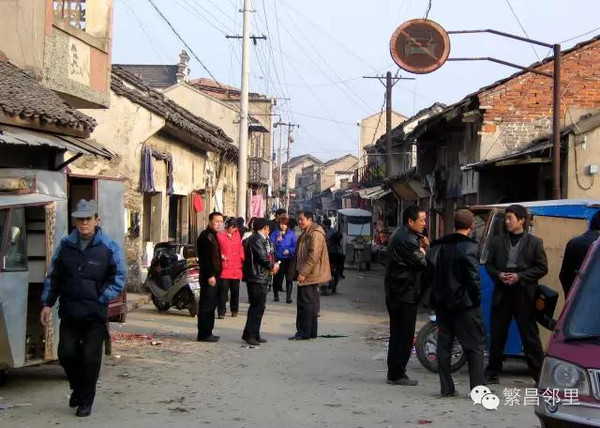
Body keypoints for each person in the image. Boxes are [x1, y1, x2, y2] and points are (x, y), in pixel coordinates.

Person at [40, 199, 126, 417]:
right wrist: (47, 303)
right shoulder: (66, 245)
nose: (83, 223)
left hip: (94, 315)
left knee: (90, 359)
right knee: (66, 353)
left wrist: (101, 296)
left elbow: (119, 277)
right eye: (80, 219)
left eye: (88, 219)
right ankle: (77, 388)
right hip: (69, 311)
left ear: (97, 220)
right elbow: (55, 276)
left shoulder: (108, 246)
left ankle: (85, 400)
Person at [484, 204, 548, 384]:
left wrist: (520, 276)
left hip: (524, 293)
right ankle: (492, 371)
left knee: (529, 335)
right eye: (506, 218)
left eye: (510, 218)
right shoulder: (497, 241)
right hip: (502, 292)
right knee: (498, 333)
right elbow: (489, 265)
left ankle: (539, 374)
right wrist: (499, 275)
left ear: (521, 220)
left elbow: (542, 268)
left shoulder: (535, 243)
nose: (507, 221)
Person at [427, 209, 485, 397]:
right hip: (465, 305)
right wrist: (475, 300)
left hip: (443, 303)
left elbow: (430, 272)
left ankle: (446, 387)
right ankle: (477, 389)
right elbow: (473, 279)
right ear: (471, 226)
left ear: (454, 224)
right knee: (474, 347)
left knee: (444, 345)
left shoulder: (439, 246)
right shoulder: (470, 248)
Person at [384, 205, 428, 386]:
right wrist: (425, 250)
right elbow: (423, 262)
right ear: (411, 221)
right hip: (403, 293)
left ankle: (395, 371)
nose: (424, 224)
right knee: (403, 334)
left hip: (399, 291)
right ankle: (397, 373)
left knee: (398, 333)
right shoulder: (406, 239)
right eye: (422, 220)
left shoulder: (404, 235)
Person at [288, 210, 330, 340]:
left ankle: (304, 332)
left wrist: (303, 273)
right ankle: (310, 332)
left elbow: (313, 256)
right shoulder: (307, 233)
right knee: (309, 304)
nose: (299, 222)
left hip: (310, 274)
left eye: (302, 219)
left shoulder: (315, 234)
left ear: (309, 219)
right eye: (299, 220)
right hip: (308, 273)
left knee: (305, 304)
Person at [242, 218, 278, 345]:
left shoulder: (263, 239)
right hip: (257, 277)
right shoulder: (256, 239)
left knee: (258, 307)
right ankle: (251, 335)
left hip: (261, 277)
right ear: (265, 227)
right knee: (257, 307)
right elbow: (262, 257)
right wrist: (272, 266)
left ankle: (253, 333)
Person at [196, 212, 224, 342]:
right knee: (206, 306)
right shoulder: (206, 236)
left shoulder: (213, 236)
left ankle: (209, 331)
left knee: (212, 305)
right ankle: (204, 334)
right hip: (209, 276)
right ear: (210, 222)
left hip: (215, 275)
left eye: (221, 221)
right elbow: (205, 259)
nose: (219, 224)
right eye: (216, 221)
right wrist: (210, 275)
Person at [559, 210, 600, 297]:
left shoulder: (573, 242)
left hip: (574, 302)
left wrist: (570, 295)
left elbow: (563, 275)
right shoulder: (597, 244)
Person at [217, 217, 244, 318]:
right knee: (223, 292)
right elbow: (216, 248)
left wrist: (241, 257)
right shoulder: (220, 235)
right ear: (227, 227)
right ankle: (221, 311)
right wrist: (221, 256)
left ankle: (234, 310)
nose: (234, 229)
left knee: (235, 291)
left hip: (236, 268)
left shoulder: (237, 235)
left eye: (235, 227)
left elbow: (240, 247)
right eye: (232, 227)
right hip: (225, 267)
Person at [270, 217, 298, 303]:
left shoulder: (292, 234)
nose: (282, 226)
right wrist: (277, 241)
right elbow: (270, 244)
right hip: (278, 258)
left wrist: (289, 251)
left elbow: (295, 246)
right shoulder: (275, 233)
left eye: (285, 224)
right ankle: (275, 295)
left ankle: (288, 297)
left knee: (289, 278)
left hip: (288, 259)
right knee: (276, 277)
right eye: (281, 224)